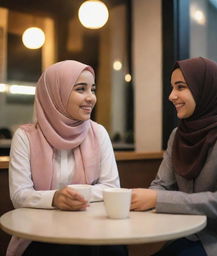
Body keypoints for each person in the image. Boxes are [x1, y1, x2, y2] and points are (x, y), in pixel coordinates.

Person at [131, 57, 217, 256]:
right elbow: (161, 185)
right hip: (186, 235)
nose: (172, 96)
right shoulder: (178, 135)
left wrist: (157, 199)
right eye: (172, 87)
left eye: (180, 87)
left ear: (204, 89)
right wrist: (139, 199)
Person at [7, 60, 127, 256]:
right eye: (81, 89)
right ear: (56, 93)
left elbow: (112, 187)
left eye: (92, 89)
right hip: (40, 232)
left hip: (92, 227)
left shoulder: (98, 133)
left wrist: (75, 197)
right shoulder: (26, 137)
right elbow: (19, 195)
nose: (91, 98)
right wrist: (54, 198)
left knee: (116, 250)